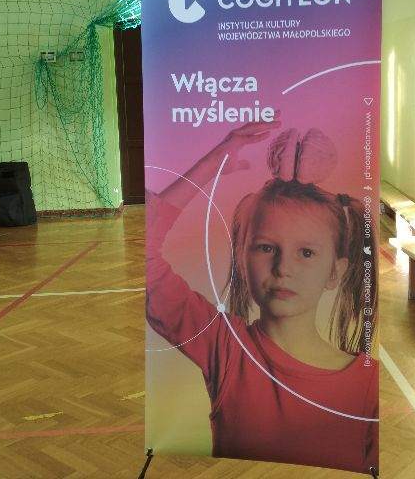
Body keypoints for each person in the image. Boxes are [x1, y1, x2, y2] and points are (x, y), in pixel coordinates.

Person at [146, 120, 378, 473]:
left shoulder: (368, 384)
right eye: (267, 248)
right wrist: (214, 161)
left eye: (306, 253)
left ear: (335, 272)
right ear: (243, 258)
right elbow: (145, 258)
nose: (283, 268)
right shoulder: (224, 347)